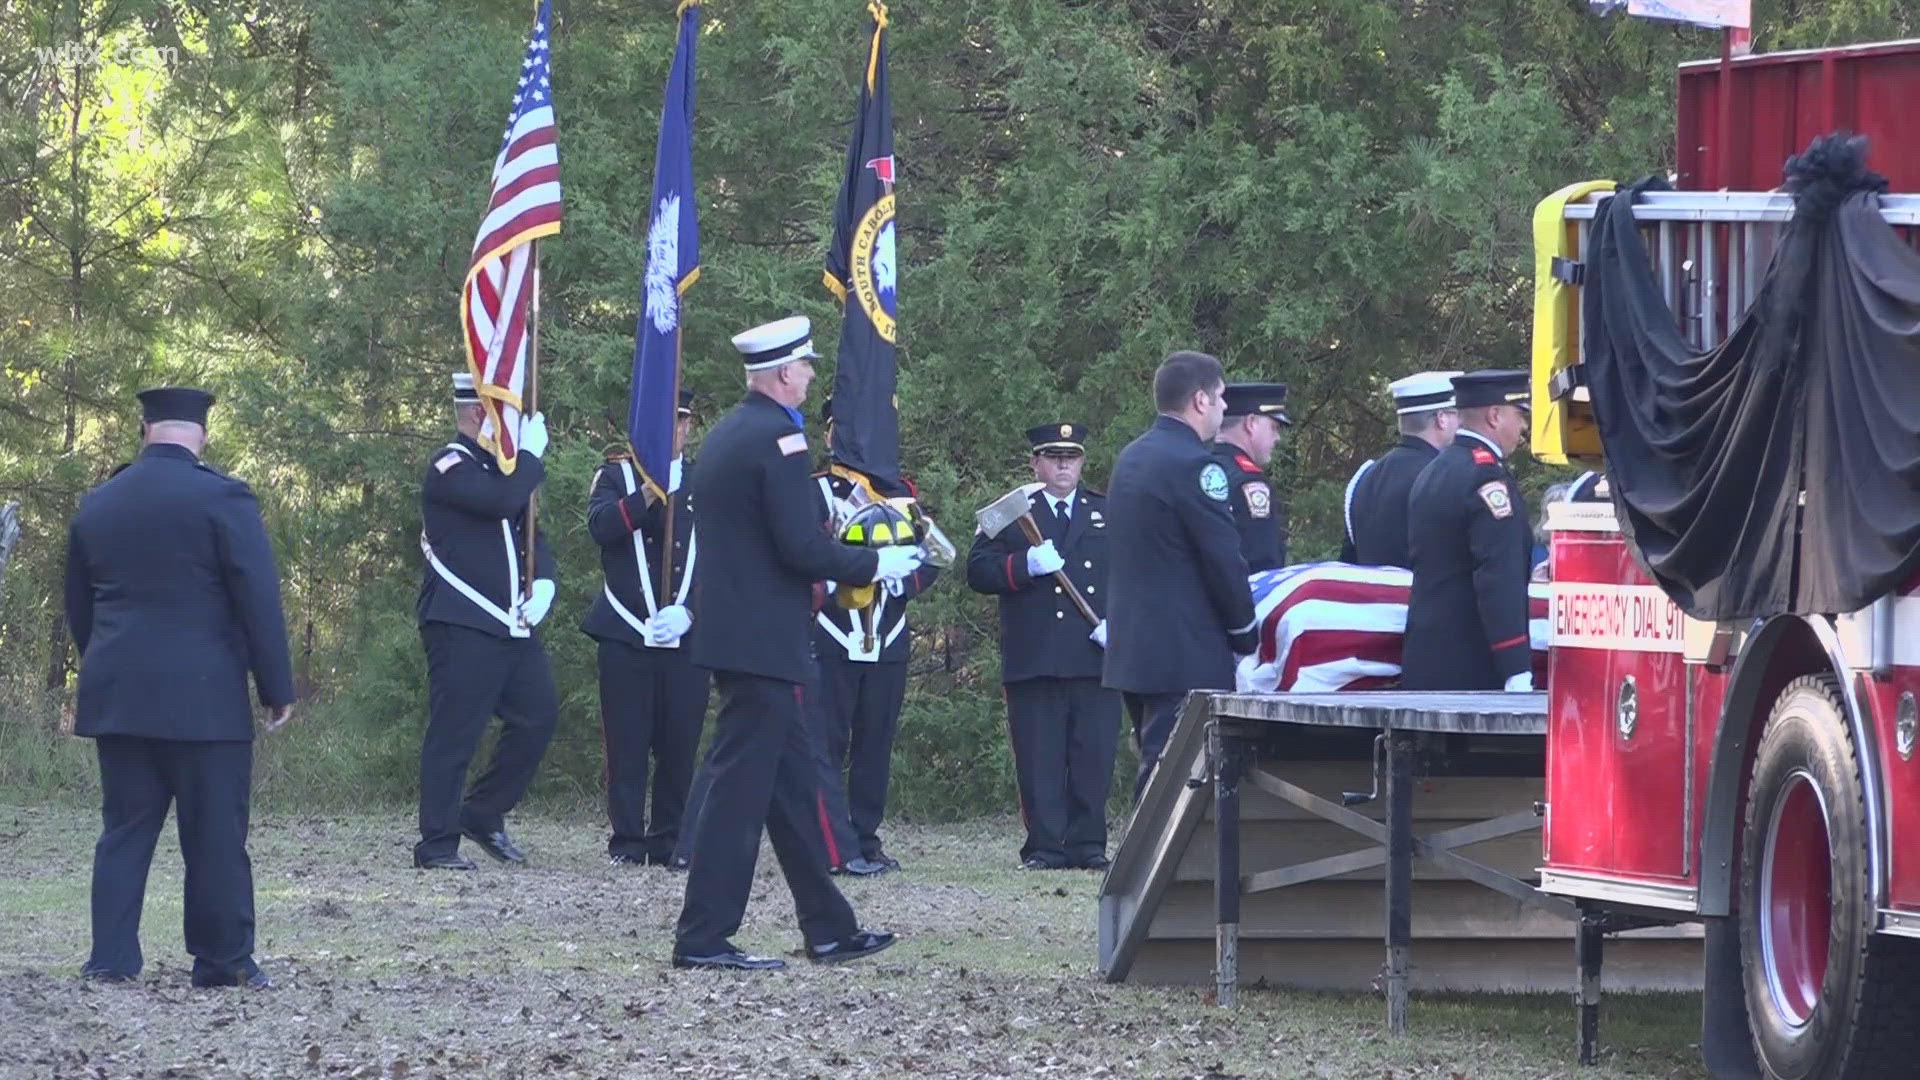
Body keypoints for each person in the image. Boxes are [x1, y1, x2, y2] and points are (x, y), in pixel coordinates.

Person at [672, 315, 922, 971]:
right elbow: (799, 547)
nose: (812, 375)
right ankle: (702, 937)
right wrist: (874, 565)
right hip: (762, 641)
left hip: (744, 636)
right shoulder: (779, 439)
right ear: (784, 373)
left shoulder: (732, 432)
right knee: (737, 796)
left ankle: (829, 928)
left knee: (787, 795)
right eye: (806, 366)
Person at [64, 386, 294, 988]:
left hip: (120, 695)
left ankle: (110, 960)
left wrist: (108, 666)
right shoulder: (224, 497)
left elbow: (79, 608)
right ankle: (222, 962)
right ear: (203, 435)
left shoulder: (99, 502)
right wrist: (276, 686)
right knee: (215, 834)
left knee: (124, 830)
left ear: (144, 429)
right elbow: (258, 600)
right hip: (206, 699)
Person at [413, 373, 558, 870]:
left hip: (510, 625)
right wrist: (533, 460)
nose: (514, 426)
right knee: (456, 733)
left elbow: (533, 537)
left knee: (538, 716)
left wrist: (546, 583)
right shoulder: (450, 465)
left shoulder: (504, 471)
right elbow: (500, 503)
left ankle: (483, 812)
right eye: (507, 414)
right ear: (480, 415)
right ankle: (436, 844)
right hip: (461, 623)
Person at [1103, 351, 1259, 799]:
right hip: (1182, 650)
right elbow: (1222, 557)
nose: (1226, 408)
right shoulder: (1197, 466)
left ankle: (1149, 866)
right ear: (1200, 401)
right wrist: (1245, 633)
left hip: (1135, 646)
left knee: (1157, 765)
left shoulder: (1133, 456)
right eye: (1221, 398)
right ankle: (1147, 869)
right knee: (1173, 778)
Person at [967, 422, 1119, 870]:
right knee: (1040, 759)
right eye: (1053, 457)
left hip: (1095, 654)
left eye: (1071, 457)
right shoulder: (1011, 513)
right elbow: (977, 571)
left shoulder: (1106, 511)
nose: (1063, 465)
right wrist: (1024, 564)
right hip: (1037, 656)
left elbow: (1136, 575)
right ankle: (1046, 847)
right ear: (1036, 462)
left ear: (1082, 462)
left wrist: (1122, 626)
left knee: (1093, 758)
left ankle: (1088, 845)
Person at [811, 396, 939, 874]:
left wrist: (902, 580)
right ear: (830, 436)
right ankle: (829, 843)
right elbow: (802, 554)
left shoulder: (901, 495)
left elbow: (936, 554)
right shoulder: (816, 493)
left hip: (888, 632)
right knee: (826, 741)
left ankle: (866, 836)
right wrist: (842, 579)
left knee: (875, 743)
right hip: (833, 631)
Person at [583, 390, 708, 867]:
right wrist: (650, 493)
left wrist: (693, 612)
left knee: (680, 743)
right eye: (664, 421)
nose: (674, 430)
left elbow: (723, 557)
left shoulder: (703, 481)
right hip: (625, 631)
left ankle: (670, 840)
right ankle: (628, 842)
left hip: (686, 633)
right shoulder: (615, 475)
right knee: (627, 743)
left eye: (681, 421)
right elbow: (601, 527)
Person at [1402, 369, 1534, 692]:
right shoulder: (1485, 478)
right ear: (1494, 415)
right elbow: (1498, 576)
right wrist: (1515, 666)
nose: (1524, 426)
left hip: (1425, 657)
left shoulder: (1434, 470)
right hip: (1473, 670)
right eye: (1520, 414)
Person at [1339, 370, 1462, 568]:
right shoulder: (1444, 478)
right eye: (1458, 414)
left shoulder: (1364, 478)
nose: (1462, 423)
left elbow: (1348, 564)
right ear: (1442, 419)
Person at [1210, 384, 1292, 571]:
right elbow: (1261, 563)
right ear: (1251, 423)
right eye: (1274, 427)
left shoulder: (1201, 468)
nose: (1277, 437)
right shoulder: (1250, 482)